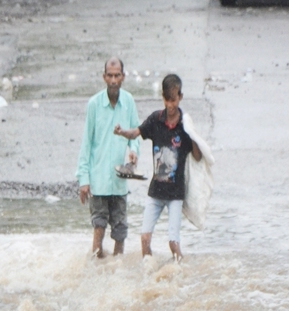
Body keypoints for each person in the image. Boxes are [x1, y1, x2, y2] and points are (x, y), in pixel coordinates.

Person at [114, 73, 202, 262]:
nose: (171, 105)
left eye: (174, 100)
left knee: (173, 243)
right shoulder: (156, 120)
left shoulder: (184, 126)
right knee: (144, 239)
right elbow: (136, 132)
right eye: (167, 100)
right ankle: (149, 273)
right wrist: (122, 133)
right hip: (156, 192)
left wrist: (193, 136)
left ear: (180, 97)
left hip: (176, 194)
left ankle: (180, 272)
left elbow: (197, 156)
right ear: (163, 98)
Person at [76, 57, 140, 258]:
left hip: (119, 180)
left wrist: (133, 151)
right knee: (99, 226)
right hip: (99, 178)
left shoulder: (128, 102)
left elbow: (135, 134)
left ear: (123, 77)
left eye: (117, 75)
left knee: (120, 230)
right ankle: (95, 270)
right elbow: (86, 143)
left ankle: (116, 272)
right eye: (110, 76)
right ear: (104, 77)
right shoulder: (94, 104)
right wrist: (84, 180)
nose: (113, 80)